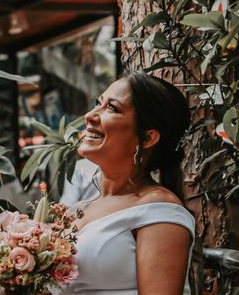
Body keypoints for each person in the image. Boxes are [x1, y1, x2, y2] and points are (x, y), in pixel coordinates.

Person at [61, 71, 195, 294]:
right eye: (98, 103)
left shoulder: (158, 209)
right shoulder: (78, 211)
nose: (90, 115)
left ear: (148, 138)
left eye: (112, 108)